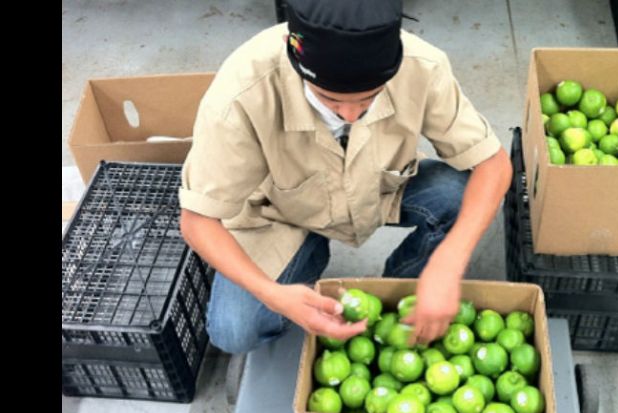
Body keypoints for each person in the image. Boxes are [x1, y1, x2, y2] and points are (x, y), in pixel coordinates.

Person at [178, 0, 512, 356]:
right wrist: (274, 295)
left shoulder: (423, 66)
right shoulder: (241, 93)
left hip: (378, 189)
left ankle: (401, 290)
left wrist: (449, 261)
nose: (351, 114)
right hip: (280, 213)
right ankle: (306, 256)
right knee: (234, 331)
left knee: (459, 194)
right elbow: (198, 220)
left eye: (370, 98)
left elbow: (494, 164)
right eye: (330, 100)